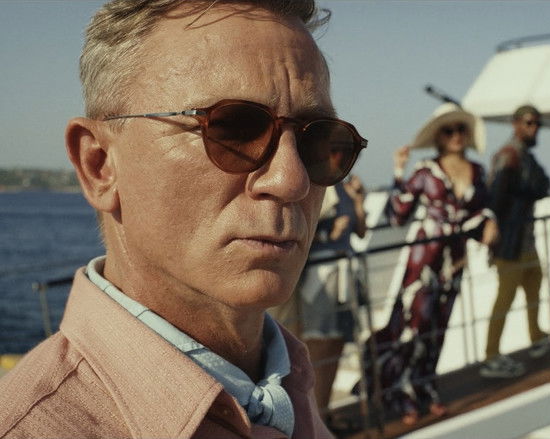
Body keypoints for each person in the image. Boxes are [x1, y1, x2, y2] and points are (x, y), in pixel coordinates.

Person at [0, 1, 367, 438]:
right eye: (233, 130)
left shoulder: (288, 384)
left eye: (319, 140)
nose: (292, 180)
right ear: (99, 165)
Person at [362, 103, 498, 425]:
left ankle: (426, 388)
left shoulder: (478, 171)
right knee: (415, 324)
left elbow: (483, 209)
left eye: (460, 129)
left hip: (455, 261)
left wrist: (491, 221)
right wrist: (398, 170)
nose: (456, 135)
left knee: (439, 328)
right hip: (424, 259)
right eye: (448, 130)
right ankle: (402, 393)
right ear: (438, 137)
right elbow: (398, 214)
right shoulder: (425, 171)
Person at [480, 104, 550, 380]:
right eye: (529, 123)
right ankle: (491, 355)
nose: (534, 129)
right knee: (505, 298)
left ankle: (536, 336)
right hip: (510, 243)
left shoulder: (523, 157)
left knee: (534, 284)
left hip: (525, 241)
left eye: (537, 124)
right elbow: (496, 197)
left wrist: (526, 190)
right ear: (516, 124)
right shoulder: (509, 156)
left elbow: (543, 185)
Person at [298, 176, 366, 419]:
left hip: (344, 275)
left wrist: (359, 201)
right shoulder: (317, 185)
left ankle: (324, 412)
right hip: (321, 276)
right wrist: (329, 234)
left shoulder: (346, 188)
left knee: (337, 343)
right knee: (318, 344)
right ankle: (316, 416)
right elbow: (300, 230)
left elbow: (361, 232)